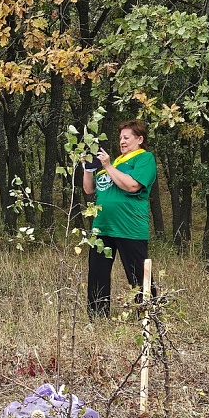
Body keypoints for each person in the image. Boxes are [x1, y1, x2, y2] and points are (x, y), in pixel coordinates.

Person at [82, 120, 157, 319]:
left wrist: (107, 166)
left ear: (139, 139)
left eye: (127, 138)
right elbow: (89, 189)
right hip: (102, 228)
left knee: (138, 274)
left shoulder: (144, 158)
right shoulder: (114, 163)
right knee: (97, 275)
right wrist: (88, 168)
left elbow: (132, 186)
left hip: (129, 227)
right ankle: (97, 317)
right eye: (120, 138)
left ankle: (149, 315)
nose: (122, 142)